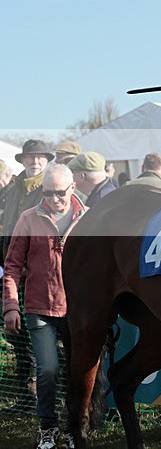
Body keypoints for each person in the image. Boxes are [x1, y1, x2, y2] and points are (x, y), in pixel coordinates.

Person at [2, 163, 85, 449]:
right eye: (48, 192)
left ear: (73, 187)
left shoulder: (88, 219)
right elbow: (11, 266)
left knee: (79, 371)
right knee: (47, 370)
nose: (54, 199)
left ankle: (75, 429)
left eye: (60, 192)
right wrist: (11, 306)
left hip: (78, 311)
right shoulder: (28, 218)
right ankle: (47, 429)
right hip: (39, 307)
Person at [0, 139, 52, 413]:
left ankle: (35, 395)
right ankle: (24, 394)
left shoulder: (49, 189)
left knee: (35, 334)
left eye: (40, 157)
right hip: (12, 268)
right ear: (22, 161)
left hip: (37, 273)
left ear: (46, 160)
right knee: (16, 334)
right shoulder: (13, 189)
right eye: (31, 157)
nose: (35, 161)